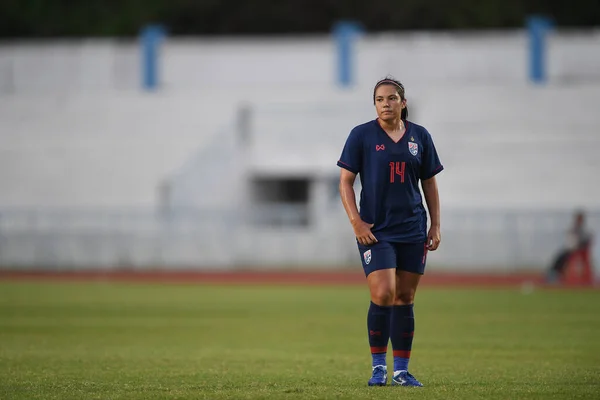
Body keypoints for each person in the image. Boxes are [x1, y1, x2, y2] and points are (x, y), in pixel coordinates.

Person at [337, 77, 443, 387]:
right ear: (375, 104)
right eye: (380, 99)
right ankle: (378, 367)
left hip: (412, 228)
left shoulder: (420, 137)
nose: (386, 103)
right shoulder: (361, 135)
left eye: (392, 98)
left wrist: (435, 224)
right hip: (376, 230)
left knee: (405, 297)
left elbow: (429, 183)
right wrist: (356, 221)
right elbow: (345, 181)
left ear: (403, 102)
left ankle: (401, 371)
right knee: (383, 292)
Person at [546, 210, 593, 283]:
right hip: (570, 249)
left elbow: (584, 240)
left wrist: (578, 244)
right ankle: (554, 273)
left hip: (575, 251)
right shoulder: (575, 228)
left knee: (562, 258)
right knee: (559, 258)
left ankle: (555, 274)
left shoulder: (582, 230)